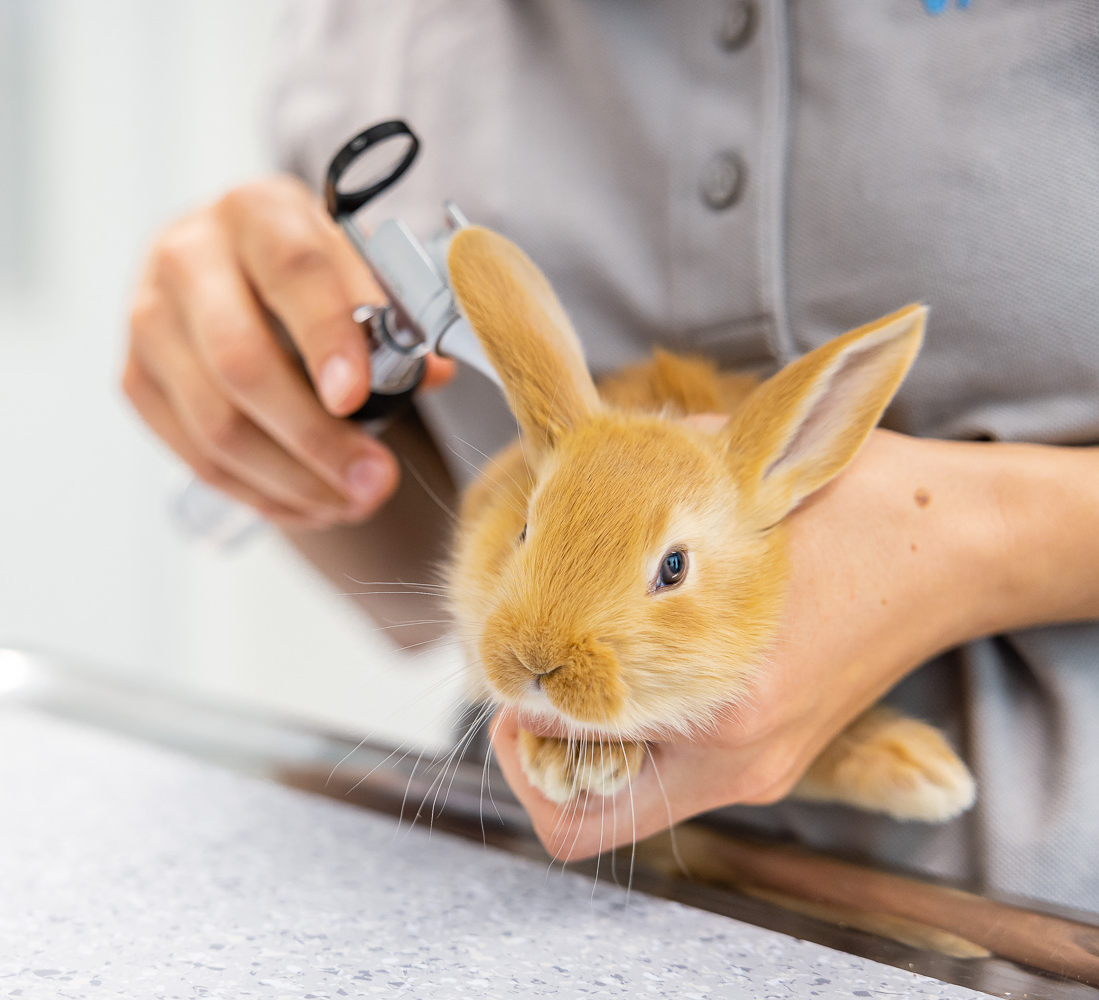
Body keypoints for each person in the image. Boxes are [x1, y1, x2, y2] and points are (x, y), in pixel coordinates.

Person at [122, 1, 1099, 910]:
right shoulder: (370, 31)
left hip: (1030, 918)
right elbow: (406, 541)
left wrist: (976, 541)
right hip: (537, 881)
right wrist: (258, 397)